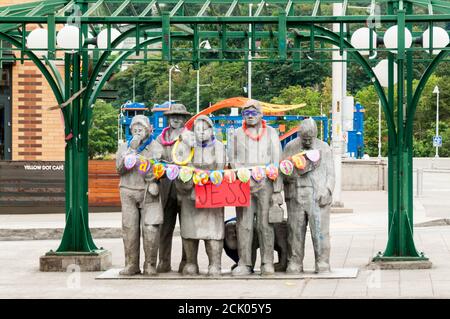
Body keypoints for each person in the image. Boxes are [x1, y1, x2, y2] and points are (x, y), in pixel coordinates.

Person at [228, 99, 283, 276]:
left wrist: (276, 189)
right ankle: (244, 262)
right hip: (244, 183)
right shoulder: (236, 134)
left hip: (265, 183)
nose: (250, 117)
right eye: (246, 113)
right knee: (243, 224)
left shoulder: (271, 133)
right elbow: (232, 158)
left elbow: (277, 161)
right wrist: (240, 172)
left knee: (265, 224)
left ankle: (267, 262)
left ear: (261, 114)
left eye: (253, 113)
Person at [175, 115, 226, 276]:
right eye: (197, 129)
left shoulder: (218, 146)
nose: (201, 132)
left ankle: (215, 263)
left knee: (214, 232)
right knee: (190, 231)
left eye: (205, 129)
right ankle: (191, 262)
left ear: (212, 130)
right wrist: (187, 151)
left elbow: (221, 168)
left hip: (212, 195)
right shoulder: (186, 146)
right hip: (190, 194)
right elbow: (180, 168)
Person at [282, 118, 335, 273]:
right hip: (296, 194)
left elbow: (331, 174)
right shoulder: (291, 147)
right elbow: (283, 170)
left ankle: (322, 261)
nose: (306, 141)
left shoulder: (324, 148)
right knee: (295, 231)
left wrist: (328, 190)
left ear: (315, 135)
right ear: (299, 135)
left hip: (317, 196)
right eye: (304, 138)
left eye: (310, 139)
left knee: (320, 231)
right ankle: (295, 261)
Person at [116, 115, 163, 276]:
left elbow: (159, 172)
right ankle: (131, 264)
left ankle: (150, 264)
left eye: (141, 129)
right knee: (129, 228)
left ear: (149, 130)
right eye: (135, 129)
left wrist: (152, 173)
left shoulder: (156, 147)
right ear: (130, 130)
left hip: (148, 191)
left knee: (151, 229)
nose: (138, 131)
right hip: (128, 190)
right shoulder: (124, 147)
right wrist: (131, 151)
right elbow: (119, 169)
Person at [150, 103, 192, 273]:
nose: (175, 119)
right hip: (166, 185)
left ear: (184, 119)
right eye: (172, 116)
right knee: (165, 227)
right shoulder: (160, 138)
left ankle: (186, 261)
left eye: (179, 116)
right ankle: (164, 261)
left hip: (184, 184)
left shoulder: (190, 136)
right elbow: (154, 159)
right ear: (168, 118)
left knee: (187, 226)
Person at [223, 218, 288, 272]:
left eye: (234, 231)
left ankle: (283, 263)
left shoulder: (248, 231)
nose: (234, 235)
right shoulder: (228, 246)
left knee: (281, 245)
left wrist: (250, 267)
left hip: (276, 226)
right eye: (231, 233)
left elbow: (251, 251)